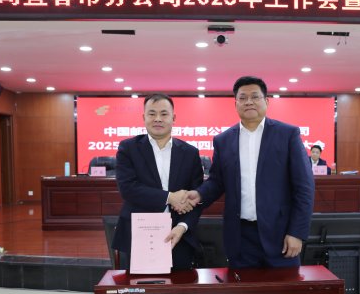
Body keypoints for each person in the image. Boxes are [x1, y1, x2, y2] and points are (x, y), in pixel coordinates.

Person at [185, 76, 314, 268]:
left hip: (280, 235)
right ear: (235, 104)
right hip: (240, 236)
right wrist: (199, 194)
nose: (249, 102)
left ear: (266, 101)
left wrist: (297, 232)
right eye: (243, 98)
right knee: (242, 287)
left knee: (285, 288)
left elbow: (304, 187)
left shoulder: (287, 135)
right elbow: (217, 181)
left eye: (255, 96)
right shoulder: (223, 140)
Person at [112, 94, 203, 270]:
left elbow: (197, 197)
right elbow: (128, 189)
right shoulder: (128, 148)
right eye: (152, 114)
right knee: (141, 285)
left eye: (164, 114)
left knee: (181, 284)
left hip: (179, 235)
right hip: (140, 233)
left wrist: (182, 226)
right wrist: (170, 197)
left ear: (173, 118)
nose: (158, 119)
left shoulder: (190, 153)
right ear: (144, 117)